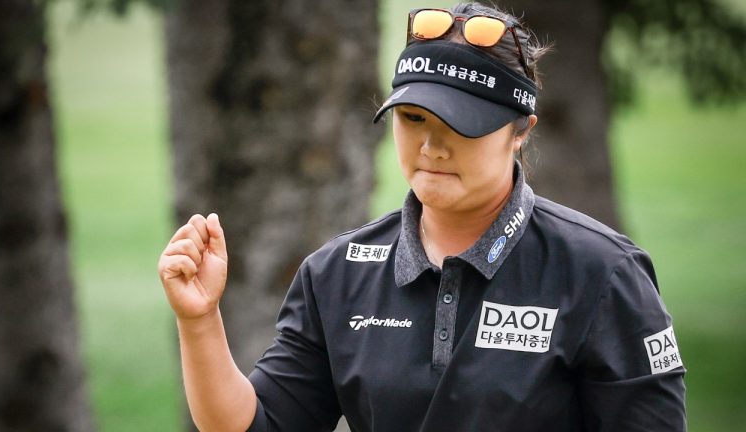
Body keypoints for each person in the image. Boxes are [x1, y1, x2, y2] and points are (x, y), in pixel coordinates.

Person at [158, 2, 687, 431]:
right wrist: (199, 320)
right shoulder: (337, 273)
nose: (432, 146)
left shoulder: (602, 271)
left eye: (463, 124)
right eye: (413, 118)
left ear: (521, 130)